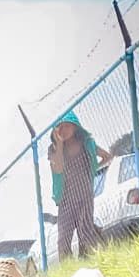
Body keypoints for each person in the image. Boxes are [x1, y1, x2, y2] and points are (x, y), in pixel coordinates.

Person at [48, 111, 112, 259]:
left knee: (85, 231)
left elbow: (107, 157)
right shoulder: (53, 149)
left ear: (75, 127)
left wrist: (92, 170)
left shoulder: (87, 144)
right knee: (63, 236)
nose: (63, 130)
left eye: (67, 126)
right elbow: (58, 169)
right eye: (60, 127)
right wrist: (59, 143)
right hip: (65, 198)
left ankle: (89, 259)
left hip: (84, 195)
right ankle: (67, 265)